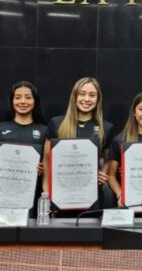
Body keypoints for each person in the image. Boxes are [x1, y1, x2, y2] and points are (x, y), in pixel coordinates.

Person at [42, 77, 114, 215]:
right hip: (60, 197)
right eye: (82, 94)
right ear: (74, 96)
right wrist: (46, 193)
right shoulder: (57, 124)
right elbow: (46, 161)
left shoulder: (106, 127)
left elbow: (109, 159)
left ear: (98, 99)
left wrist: (103, 173)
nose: (86, 99)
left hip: (93, 199)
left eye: (92, 95)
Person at [0, 81, 47, 215]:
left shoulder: (44, 131)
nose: (23, 101)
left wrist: (43, 169)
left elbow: (48, 167)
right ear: (12, 101)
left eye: (28, 97)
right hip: (1, 197)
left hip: (33, 199)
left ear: (35, 101)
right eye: (18, 97)